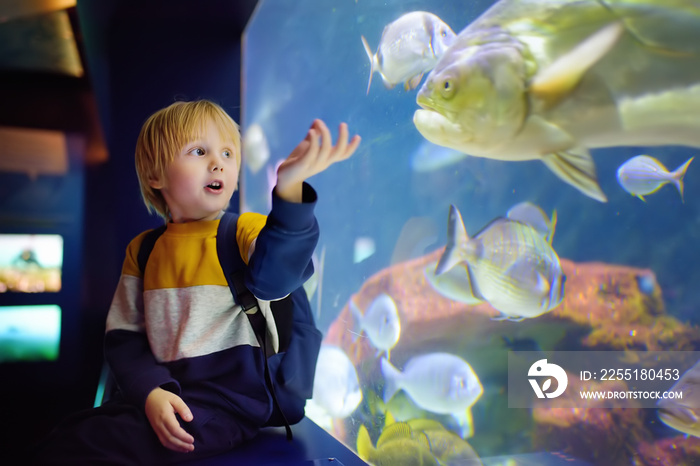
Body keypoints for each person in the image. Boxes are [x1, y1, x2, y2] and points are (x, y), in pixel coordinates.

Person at [33, 99, 360, 465]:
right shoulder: (142, 251)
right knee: (73, 435)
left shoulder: (244, 230)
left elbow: (277, 278)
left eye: (227, 152)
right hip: (170, 396)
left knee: (85, 445)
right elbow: (124, 338)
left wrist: (290, 189)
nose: (218, 161)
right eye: (199, 151)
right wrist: (151, 390)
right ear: (155, 176)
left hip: (232, 403)